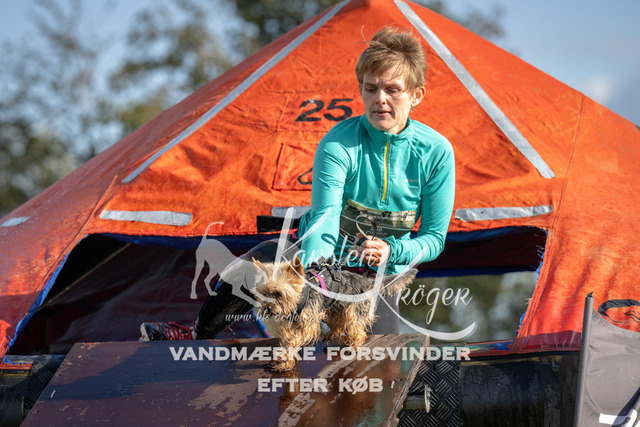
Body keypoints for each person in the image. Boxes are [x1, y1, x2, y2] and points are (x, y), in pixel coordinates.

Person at [141, 27, 455, 341]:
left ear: (416, 95)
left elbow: (434, 238)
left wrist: (393, 250)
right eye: (370, 88)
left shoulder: (436, 152)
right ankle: (197, 335)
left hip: (379, 277)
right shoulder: (339, 144)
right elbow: (324, 218)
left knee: (381, 357)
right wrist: (315, 280)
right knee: (263, 259)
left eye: (393, 90)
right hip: (322, 259)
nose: (380, 99)